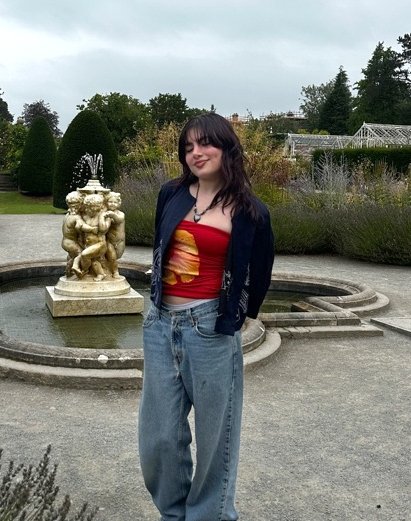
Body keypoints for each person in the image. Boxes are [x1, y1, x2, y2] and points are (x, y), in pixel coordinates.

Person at [139, 112, 274, 521]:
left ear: (226, 147)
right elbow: (161, 247)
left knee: (216, 439)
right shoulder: (172, 193)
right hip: (160, 325)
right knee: (159, 437)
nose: (196, 153)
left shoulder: (250, 211)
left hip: (210, 330)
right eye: (188, 147)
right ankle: (174, 514)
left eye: (205, 144)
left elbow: (261, 270)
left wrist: (238, 315)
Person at [104, 191, 125, 278]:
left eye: (115, 202)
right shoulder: (105, 214)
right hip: (109, 241)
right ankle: (115, 272)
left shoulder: (120, 214)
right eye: (110, 202)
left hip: (120, 241)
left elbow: (118, 220)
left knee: (117, 256)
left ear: (118, 203)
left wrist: (112, 215)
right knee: (112, 257)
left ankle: (109, 269)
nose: (112, 204)